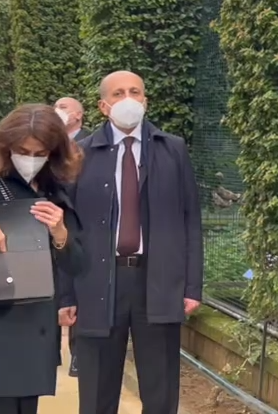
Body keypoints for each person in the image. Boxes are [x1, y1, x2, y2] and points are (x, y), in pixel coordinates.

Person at [61, 70, 203, 414]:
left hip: (157, 281)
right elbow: (67, 229)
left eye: (135, 92)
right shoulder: (80, 155)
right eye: (119, 93)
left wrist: (192, 286)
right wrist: (66, 293)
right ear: (103, 106)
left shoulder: (172, 150)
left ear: (145, 101)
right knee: (97, 388)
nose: (128, 98)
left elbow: (190, 220)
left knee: (160, 387)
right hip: (97, 282)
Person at [0, 103, 87, 414]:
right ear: (6, 146)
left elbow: (78, 263)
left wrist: (59, 232)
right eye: (23, 150)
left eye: (39, 152)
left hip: (39, 316)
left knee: (27, 405)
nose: (30, 159)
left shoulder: (54, 187)